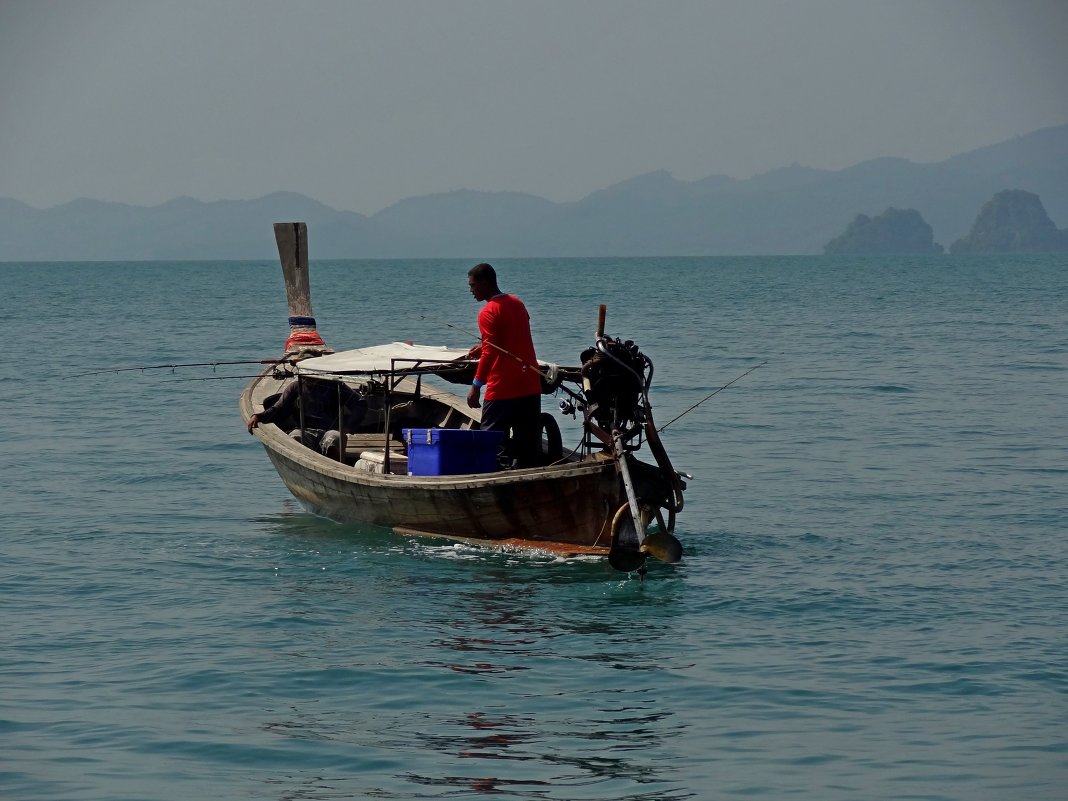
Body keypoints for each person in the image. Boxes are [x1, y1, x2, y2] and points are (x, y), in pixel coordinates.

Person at [465, 262, 542, 468]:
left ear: (485, 283)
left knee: (490, 441)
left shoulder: (487, 312)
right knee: (527, 445)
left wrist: (476, 385)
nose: (471, 291)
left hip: (502, 387)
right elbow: (511, 334)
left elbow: (491, 352)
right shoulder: (517, 303)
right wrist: (482, 346)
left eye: (473, 286)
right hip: (530, 383)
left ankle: (497, 480)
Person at [247, 375, 367, 458]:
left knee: (334, 439)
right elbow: (279, 408)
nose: (308, 379)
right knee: (294, 437)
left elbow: (360, 403)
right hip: (305, 431)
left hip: (329, 431)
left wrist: (349, 427)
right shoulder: (295, 387)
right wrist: (259, 416)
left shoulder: (334, 385)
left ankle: (334, 470)